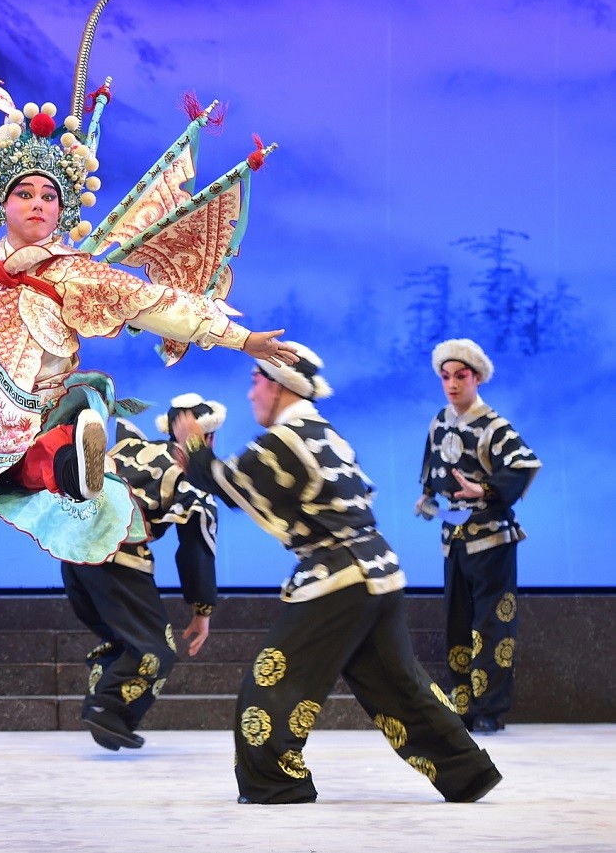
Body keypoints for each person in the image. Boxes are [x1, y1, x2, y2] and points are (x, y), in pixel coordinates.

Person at [0, 159, 294, 565]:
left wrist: (241, 338)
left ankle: (73, 464)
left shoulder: (73, 273)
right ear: (3, 205)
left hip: (31, 406)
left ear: (61, 212)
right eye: (25, 194)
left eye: (48, 197)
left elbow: (153, 303)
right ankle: (67, 463)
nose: (37, 203)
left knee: (35, 459)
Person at [181, 342, 501, 804]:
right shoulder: (325, 433)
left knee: (271, 683)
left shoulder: (287, 439)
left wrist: (193, 443)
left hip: (340, 579)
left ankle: (276, 783)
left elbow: (228, 481)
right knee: (401, 690)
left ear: (279, 384)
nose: (251, 394)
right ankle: (466, 772)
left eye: (255, 382)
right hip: (379, 573)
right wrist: (200, 462)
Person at [60, 394, 225, 751]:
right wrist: (202, 609)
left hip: (73, 555)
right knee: (156, 649)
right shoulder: (190, 479)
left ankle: (108, 712)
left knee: (126, 643)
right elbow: (196, 546)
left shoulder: (133, 447)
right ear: (207, 438)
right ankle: (108, 708)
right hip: (118, 559)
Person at [416, 338, 540, 734]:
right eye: (446, 377)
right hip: (454, 537)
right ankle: (463, 703)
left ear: (477, 378)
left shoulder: (494, 426)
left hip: (491, 539)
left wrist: (484, 489)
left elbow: (524, 465)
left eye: (461, 376)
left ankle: (490, 708)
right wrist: (428, 497)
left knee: (492, 623)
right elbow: (433, 465)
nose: (452, 384)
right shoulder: (440, 421)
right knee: (457, 622)